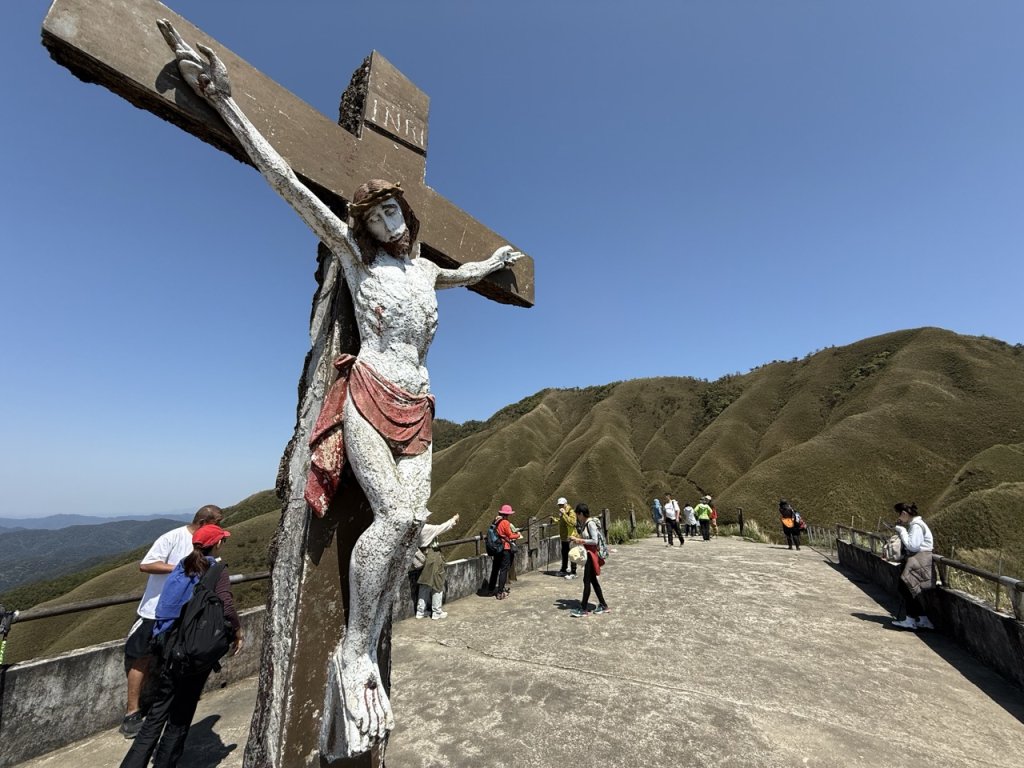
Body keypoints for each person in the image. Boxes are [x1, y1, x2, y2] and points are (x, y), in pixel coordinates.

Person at [158, 22, 524, 756]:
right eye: (376, 213)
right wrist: (229, 105)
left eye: (394, 210)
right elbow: (290, 184)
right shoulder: (360, 265)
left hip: (419, 409)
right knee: (392, 519)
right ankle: (355, 650)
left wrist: (498, 259)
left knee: (412, 524)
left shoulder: (425, 272)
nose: (387, 219)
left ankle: (371, 636)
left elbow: (465, 272)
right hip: (369, 395)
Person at [120, 524, 241, 768]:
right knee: (180, 715)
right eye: (222, 540)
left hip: (168, 647)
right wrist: (238, 632)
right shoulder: (216, 569)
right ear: (216, 544)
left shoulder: (181, 566)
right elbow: (226, 607)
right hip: (192, 652)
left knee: (156, 714)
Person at [120, 505, 223, 738]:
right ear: (205, 522)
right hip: (154, 611)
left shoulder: (208, 543)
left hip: (184, 615)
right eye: (218, 521)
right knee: (141, 659)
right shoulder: (173, 537)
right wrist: (182, 568)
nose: (221, 526)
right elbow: (146, 564)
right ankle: (131, 713)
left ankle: (166, 708)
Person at [890, 502, 936, 630]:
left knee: (905, 587)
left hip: (918, 560)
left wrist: (902, 530)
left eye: (900, 514)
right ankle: (923, 619)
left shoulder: (916, 526)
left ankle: (910, 620)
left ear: (904, 513)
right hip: (921, 560)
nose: (899, 517)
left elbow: (913, 546)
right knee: (913, 590)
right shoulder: (918, 524)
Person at [414, 513, 459, 620]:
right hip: (433, 556)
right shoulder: (427, 528)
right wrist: (453, 519)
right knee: (438, 584)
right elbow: (442, 528)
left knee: (425, 584)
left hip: (424, 556)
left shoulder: (416, 529)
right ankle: (436, 611)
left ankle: (420, 611)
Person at [568, 504, 609, 617]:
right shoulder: (585, 524)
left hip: (591, 555)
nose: (577, 517)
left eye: (577, 515)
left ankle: (583, 608)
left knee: (587, 581)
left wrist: (579, 540)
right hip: (589, 554)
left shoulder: (590, 524)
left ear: (581, 514)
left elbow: (594, 541)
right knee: (593, 581)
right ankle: (603, 605)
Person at [486, 504, 521, 599]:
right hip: (505, 548)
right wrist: (518, 534)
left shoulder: (496, 521)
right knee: (503, 570)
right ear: (508, 514)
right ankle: (500, 592)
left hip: (497, 549)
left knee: (495, 569)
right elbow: (510, 536)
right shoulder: (505, 522)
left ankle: (490, 590)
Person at [552, 497, 578, 579]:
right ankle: (564, 569)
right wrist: (554, 520)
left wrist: (564, 514)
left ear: (566, 504)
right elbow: (561, 521)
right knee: (564, 553)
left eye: (562, 505)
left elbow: (572, 523)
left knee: (572, 554)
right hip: (564, 537)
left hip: (571, 537)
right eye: (559, 505)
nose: (560, 506)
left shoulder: (571, 512)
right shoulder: (562, 512)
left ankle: (573, 571)